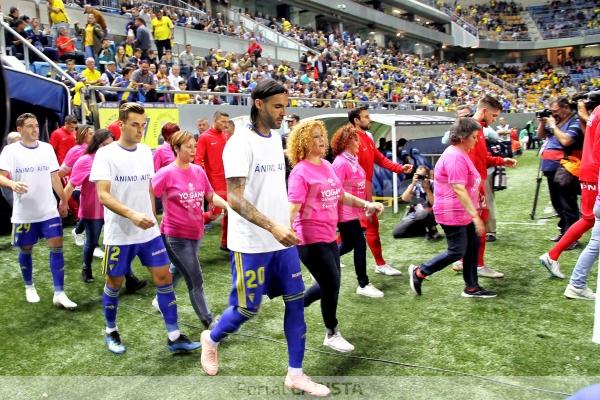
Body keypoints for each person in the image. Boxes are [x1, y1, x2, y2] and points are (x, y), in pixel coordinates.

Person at [199, 79, 330, 397]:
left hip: (282, 242)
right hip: (251, 244)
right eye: (277, 106)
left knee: (296, 304)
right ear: (258, 104)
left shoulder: (276, 139)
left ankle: (295, 374)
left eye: (286, 106)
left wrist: (290, 221)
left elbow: (275, 189)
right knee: (247, 309)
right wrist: (273, 226)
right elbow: (235, 198)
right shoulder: (239, 143)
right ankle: (211, 338)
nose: (284, 112)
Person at [90, 102, 199, 355]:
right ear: (121, 125)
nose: (140, 129)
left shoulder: (144, 153)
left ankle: (174, 336)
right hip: (119, 233)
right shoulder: (106, 154)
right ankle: (110, 330)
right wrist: (132, 214)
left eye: (143, 124)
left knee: (164, 279)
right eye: (135, 124)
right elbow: (103, 195)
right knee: (114, 282)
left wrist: (151, 216)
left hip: (148, 232)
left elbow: (149, 189)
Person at [287, 120, 384, 352]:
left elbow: (341, 195)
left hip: (330, 235)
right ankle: (331, 332)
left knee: (329, 283)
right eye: (316, 137)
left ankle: (297, 304)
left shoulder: (326, 166)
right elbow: (293, 207)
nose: (322, 141)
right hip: (310, 239)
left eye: (322, 136)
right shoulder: (300, 172)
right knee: (331, 285)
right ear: (303, 143)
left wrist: (366, 204)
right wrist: (285, 231)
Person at [408, 118, 497, 299]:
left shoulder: (461, 153)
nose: (477, 140)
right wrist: (475, 216)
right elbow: (458, 188)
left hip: (462, 211)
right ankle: (420, 272)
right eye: (474, 137)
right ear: (463, 137)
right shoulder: (454, 156)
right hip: (452, 212)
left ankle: (471, 287)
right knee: (457, 250)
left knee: (473, 246)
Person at [152, 130, 228, 327]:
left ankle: (159, 297)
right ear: (176, 148)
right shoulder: (166, 173)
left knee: (178, 268)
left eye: (194, 146)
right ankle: (209, 321)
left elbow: (210, 196)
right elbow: (150, 192)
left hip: (196, 232)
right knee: (195, 279)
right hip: (175, 236)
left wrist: (227, 206)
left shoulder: (198, 171)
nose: (194, 150)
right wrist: (149, 216)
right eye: (189, 146)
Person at [0, 113, 76, 308]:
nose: (35, 129)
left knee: (57, 247)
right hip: (24, 212)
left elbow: (54, 177)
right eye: (30, 126)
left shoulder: (47, 149)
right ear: (20, 129)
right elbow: (1, 176)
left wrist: (63, 200)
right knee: (26, 250)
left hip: (48, 210)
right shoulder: (10, 151)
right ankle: (29, 286)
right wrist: (12, 183)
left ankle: (59, 292)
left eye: (36, 125)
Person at [452, 96, 517, 278]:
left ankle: (468, 262)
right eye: (494, 115)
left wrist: (501, 160)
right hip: (471, 186)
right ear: (485, 111)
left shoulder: (479, 129)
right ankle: (473, 265)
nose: (495, 119)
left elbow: (482, 158)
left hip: (476, 184)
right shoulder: (470, 129)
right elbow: (461, 158)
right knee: (477, 225)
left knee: (479, 223)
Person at [539, 103, 600, 288]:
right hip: (591, 170)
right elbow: (565, 140)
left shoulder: (594, 113)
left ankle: (553, 255)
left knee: (588, 218)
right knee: (588, 217)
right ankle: (554, 256)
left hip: (587, 168)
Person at [349, 106, 413, 276]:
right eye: (366, 117)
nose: (369, 119)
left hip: (365, 190)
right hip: (354, 191)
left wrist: (400, 168)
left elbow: (380, 159)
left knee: (367, 227)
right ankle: (328, 262)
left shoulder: (367, 138)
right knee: (352, 229)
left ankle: (379, 264)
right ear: (356, 120)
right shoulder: (350, 138)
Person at [330, 124, 386, 298]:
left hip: (354, 212)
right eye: (355, 139)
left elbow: (358, 189)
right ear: (347, 142)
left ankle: (325, 262)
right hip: (345, 214)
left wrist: (366, 206)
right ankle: (363, 284)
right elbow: (337, 193)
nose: (359, 142)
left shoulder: (352, 160)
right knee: (359, 245)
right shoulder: (340, 163)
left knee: (348, 244)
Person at [64, 129, 112, 283]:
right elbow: (71, 185)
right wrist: (62, 203)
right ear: (97, 144)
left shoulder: (114, 160)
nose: (108, 149)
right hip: (93, 211)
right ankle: (86, 268)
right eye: (105, 145)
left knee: (114, 242)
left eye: (111, 146)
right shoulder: (85, 161)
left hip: (113, 209)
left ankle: (116, 273)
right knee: (92, 242)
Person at [537, 97, 584, 245]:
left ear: (566, 108)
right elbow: (540, 136)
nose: (553, 114)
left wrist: (553, 125)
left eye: (555, 111)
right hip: (551, 168)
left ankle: (572, 238)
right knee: (557, 203)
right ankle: (565, 231)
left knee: (568, 204)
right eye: (551, 112)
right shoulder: (556, 122)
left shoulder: (574, 121)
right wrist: (543, 123)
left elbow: (566, 141)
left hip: (566, 167)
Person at [194, 111, 230, 251]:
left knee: (230, 212)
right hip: (214, 183)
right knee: (215, 214)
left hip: (228, 182)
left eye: (227, 122)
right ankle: (187, 225)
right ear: (215, 120)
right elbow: (198, 159)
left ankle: (225, 243)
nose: (225, 124)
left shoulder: (226, 136)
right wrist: (201, 179)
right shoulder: (204, 137)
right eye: (222, 121)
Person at [393, 165, 440, 240]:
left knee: (423, 212)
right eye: (417, 175)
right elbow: (404, 198)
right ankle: (421, 231)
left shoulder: (433, 184)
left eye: (422, 176)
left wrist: (427, 189)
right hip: (415, 214)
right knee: (397, 233)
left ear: (427, 176)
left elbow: (435, 204)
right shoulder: (414, 185)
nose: (419, 178)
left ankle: (433, 230)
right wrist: (412, 184)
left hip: (431, 214)